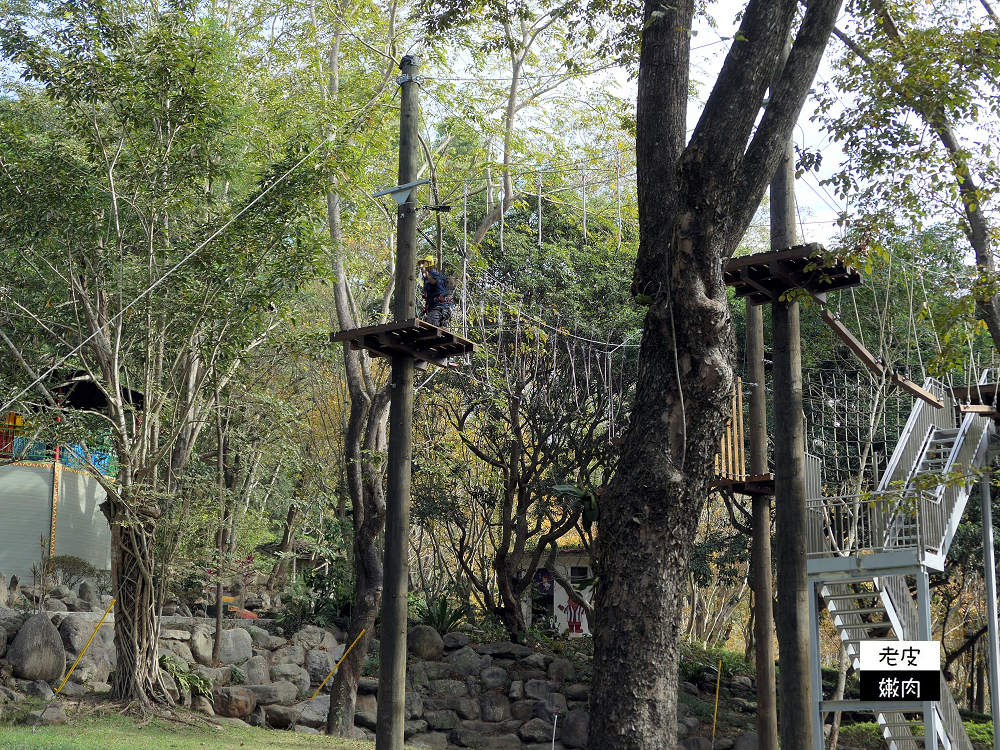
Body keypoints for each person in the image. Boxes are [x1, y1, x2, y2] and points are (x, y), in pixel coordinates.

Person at [418, 254, 452, 328]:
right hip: (433, 308)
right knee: (428, 322)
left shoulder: (434, 274)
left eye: (424, 263)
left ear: (429, 265)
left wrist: (427, 275)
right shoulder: (426, 278)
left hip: (441, 308)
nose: (422, 266)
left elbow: (436, 283)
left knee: (430, 323)